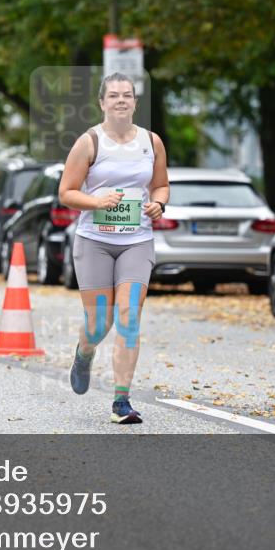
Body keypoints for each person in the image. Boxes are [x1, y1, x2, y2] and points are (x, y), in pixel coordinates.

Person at [57, 72, 170, 424]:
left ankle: (122, 402)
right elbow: (66, 192)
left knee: (129, 318)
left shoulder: (151, 142)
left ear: (135, 102)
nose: (121, 100)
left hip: (137, 241)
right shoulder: (89, 142)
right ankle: (85, 352)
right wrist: (97, 201)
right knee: (98, 322)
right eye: (114, 95)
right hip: (95, 242)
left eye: (128, 95)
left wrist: (158, 204)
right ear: (102, 103)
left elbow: (161, 185)